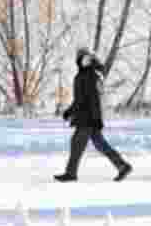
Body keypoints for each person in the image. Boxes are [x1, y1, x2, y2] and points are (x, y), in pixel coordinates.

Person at [55, 48, 132, 182]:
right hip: (85, 117)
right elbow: (79, 99)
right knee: (100, 145)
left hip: (88, 119)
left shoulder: (90, 76)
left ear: (89, 60)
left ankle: (71, 173)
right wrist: (70, 111)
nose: (81, 61)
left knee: (77, 143)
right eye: (80, 58)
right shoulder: (82, 75)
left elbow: (94, 99)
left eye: (84, 58)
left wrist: (97, 119)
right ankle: (122, 166)